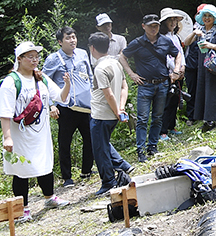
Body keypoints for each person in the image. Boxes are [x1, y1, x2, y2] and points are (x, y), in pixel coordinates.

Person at [1, 42, 72, 219]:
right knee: (21, 169)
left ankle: (49, 197)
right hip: (20, 135)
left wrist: (68, 84)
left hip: (41, 132)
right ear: (19, 59)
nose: (34, 60)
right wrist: (7, 137)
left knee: (44, 163)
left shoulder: (41, 78)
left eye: (36, 56)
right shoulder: (11, 82)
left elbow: (61, 97)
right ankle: (23, 208)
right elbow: (5, 112)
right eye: (30, 57)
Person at [120, 14, 181, 161]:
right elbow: (122, 57)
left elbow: (177, 54)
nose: (154, 28)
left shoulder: (165, 41)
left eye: (156, 25)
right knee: (142, 119)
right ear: (144, 26)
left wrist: (176, 70)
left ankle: (152, 146)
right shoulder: (137, 43)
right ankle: (140, 150)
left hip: (162, 84)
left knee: (158, 117)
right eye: (150, 26)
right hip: (145, 85)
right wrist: (131, 74)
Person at [42, 27, 95, 187]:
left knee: (90, 137)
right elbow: (43, 82)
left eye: (74, 37)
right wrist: (51, 105)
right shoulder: (53, 59)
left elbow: (90, 76)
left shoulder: (82, 53)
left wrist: (92, 95)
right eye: (68, 38)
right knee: (65, 142)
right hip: (65, 108)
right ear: (60, 41)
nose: (72, 40)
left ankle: (87, 170)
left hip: (85, 106)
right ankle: (67, 177)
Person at [87, 32, 134, 196]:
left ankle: (109, 182)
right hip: (113, 113)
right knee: (104, 144)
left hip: (101, 115)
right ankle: (123, 166)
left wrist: (116, 110)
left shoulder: (100, 68)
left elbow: (108, 94)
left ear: (92, 48)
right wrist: (120, 109)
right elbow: (124, 87)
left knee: (100, 150)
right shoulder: (116, 63)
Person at [190, 5, 216, 129]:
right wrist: (193, 33)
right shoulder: (199, 29)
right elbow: (186, 43)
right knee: (203, 91)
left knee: (215, 92)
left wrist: (210, 45)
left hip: (215, 66)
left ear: (214, 18)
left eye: (210, 16)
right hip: (202, 66)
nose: (207, 18)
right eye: (205, 16)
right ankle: (207, 121)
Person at [158, 8, 187, 139]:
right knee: (167, 102)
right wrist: (175, 70)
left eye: (175, 20)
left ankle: (171, 126)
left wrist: (183, 67)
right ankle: (162, 130)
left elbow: (180, 52)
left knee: (175, 100)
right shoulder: (162, 38)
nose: (173, 23)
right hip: (168, 74)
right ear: (164, 22)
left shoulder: (175, 36)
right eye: (170, 20)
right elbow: (166, 57)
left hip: (179, 72)